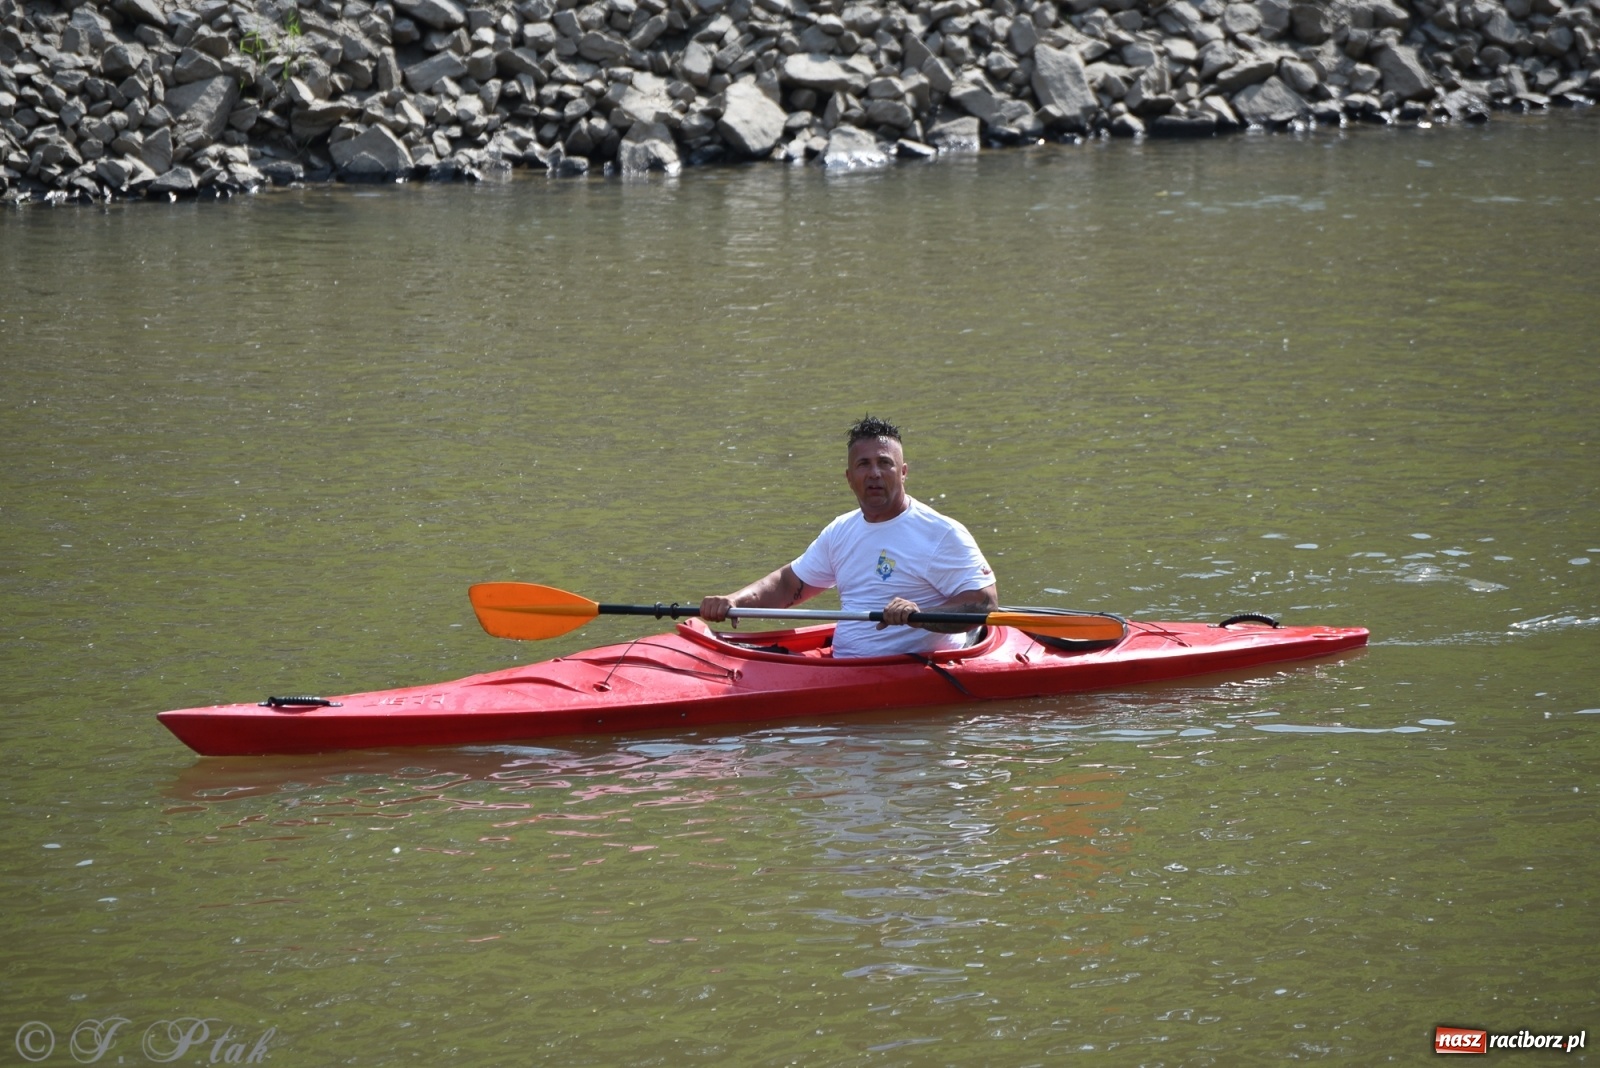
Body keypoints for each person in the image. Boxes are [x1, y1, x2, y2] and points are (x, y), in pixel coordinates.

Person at [700, 415, 998, 658]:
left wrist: (919, 614)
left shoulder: (941, 533)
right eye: (863, 465)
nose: (875, 474)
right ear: (849, 477)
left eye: (885, 463)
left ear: (903, 472)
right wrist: (733, 600)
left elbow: (984, 604)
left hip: (914, 669)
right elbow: (789, 584)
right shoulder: (840, 531)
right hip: (843, 664)